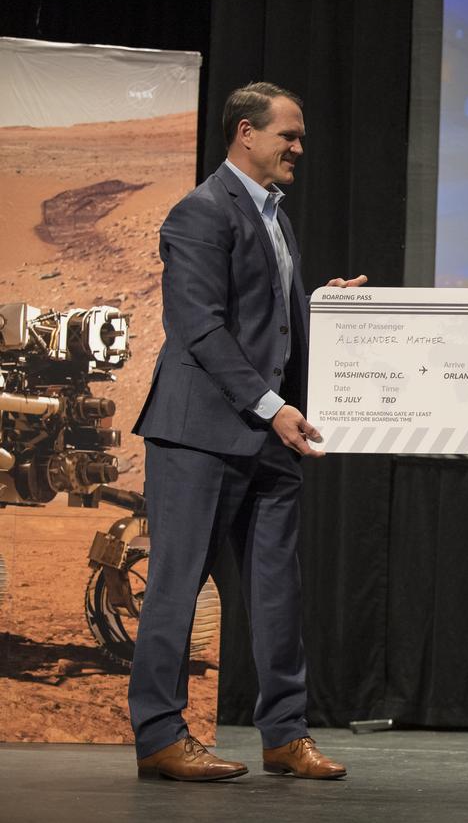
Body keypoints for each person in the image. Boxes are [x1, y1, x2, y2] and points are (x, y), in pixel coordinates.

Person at [129, 82, 366, 781]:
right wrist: (272, 405)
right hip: (200, 435)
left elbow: (267, 321)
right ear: (245, 133)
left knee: (277, 592)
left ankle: (285, 735)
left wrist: (324, 308)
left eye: (300, 136)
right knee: (178, 584)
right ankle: (160, 736)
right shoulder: (200, 211)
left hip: (267, 435)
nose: (299, 147)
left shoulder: (275, 217)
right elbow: (199, 328)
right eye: (288, 135)